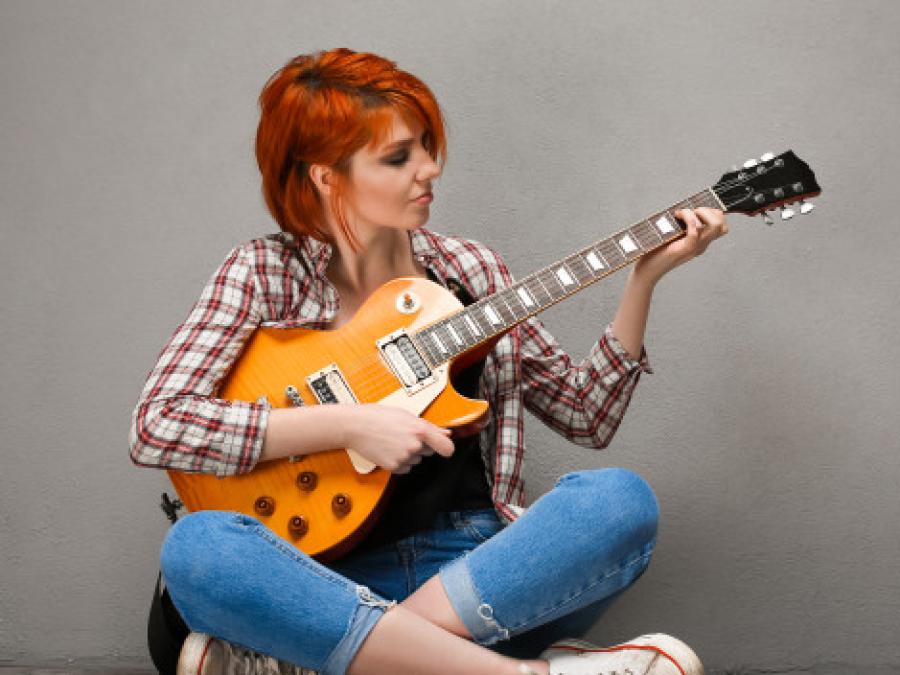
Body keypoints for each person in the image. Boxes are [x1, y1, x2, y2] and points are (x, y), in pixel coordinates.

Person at [130, 48, 727, 675]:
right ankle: (520, 671)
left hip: (474, 574)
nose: (430, 169)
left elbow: (585, 416)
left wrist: (643, 282)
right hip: (310, 580)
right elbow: (157, 425)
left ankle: (322, 658)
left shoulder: (472, 271)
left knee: (619, 504)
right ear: (325, 177)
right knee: (197, 549)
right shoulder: (262, 272)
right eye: (399, 157)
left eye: (426, 147)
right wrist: (349, 425)